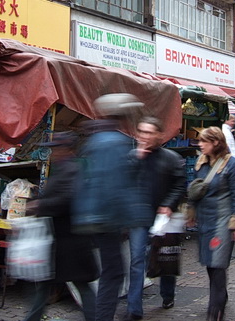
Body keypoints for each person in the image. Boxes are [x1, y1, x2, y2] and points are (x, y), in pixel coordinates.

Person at [72, 93, 141, 321]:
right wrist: (127, 219)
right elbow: (115, 186)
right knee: (114, 273)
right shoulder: (117, 142)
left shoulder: (95, 140)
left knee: (109, 271)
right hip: (106, 218)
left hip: (91, 216)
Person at [23, 132, 98, 321]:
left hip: (71, 242)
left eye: (55, 149)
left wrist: (40, 205)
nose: (53, 153)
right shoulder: (64, 169)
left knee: (81, 286)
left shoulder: (71, 170)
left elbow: (66, 199)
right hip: (61, 241)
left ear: (67, 150)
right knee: (43, 286)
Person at [124, 117, 186, 320]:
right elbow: (125, 182)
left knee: (165, 257)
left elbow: (179, 185)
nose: (145, 136)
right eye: (142, 131)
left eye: (149, 132)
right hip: (139, 218)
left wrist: (168, 205)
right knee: (137, 261)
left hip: (164, 219)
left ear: (159, 135)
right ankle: (134, 308)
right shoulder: (133, 156)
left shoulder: (171, 158)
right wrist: (137, 160)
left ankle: (168, 294)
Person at [187, 126, 235, 321]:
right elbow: (196, 189)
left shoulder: (233, 165)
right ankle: (221, 297)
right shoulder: (201, 162)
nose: (200, 144)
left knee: (218, 264)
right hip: (205, 221)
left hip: (222, 221)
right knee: (210, 264)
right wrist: (191, 212)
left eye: (204, 141)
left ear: (215, 143)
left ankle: (215, 311)